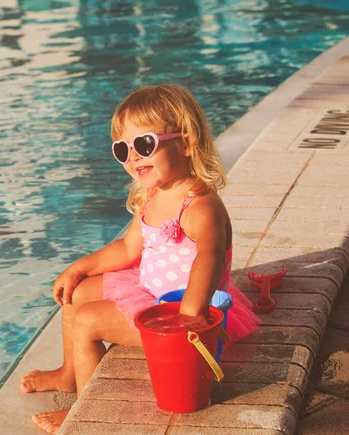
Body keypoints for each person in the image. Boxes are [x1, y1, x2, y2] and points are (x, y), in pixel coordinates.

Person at [20, 84, 261, 434]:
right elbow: (129, 249)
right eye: (123, 149)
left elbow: (207, 259)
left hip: (178, 313)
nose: (133, 157)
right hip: (147, 290)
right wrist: (79, 267)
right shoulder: (152, 194)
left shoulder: (201, 205)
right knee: (78, 294)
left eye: (145, 144)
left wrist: (188, 317)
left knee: (87, 321)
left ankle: (86, 413)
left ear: (187, 142)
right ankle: (69, 373)